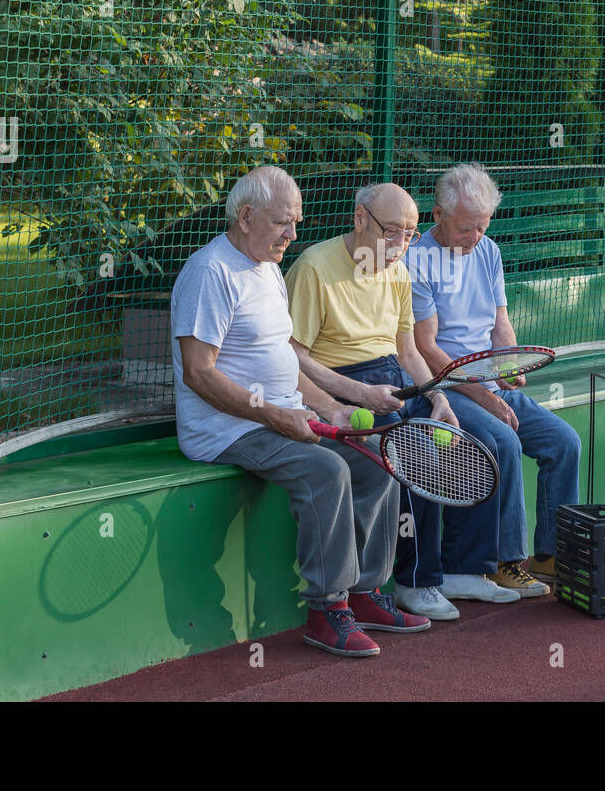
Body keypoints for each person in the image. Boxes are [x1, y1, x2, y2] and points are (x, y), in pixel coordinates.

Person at [171, 165, 430, 658]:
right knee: (327, 469)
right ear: (245, 217)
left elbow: (285, 358)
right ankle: (326, 610)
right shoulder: (211, 273)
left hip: (280, 415)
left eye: (296, 222)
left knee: (378, 451)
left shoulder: (266, 267)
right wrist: (273, 415)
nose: (293, 234)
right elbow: (198, 374)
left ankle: (366, 592)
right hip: (227, 430)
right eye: (282, 223)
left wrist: (329, 406)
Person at [285, 182, 505, 621]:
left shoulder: (400, 271)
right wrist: (358, 395)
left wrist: (439, 398)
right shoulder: (313, 267)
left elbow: (408, 351)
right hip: (341, 387)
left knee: (470, 443)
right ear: (360, 218)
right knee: (414, 459)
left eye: (409, 234)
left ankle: (453, 573)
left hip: (397, 380)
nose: (401, 244)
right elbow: (293, 356)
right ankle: (411, 584)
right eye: (392, 232)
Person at [405, 163, 581, 589]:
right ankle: (502, 563)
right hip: (444, 386)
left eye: (482, 227)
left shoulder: (489, 251)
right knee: (502, 440)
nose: (475, 238)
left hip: (486, 381)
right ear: (437, 216)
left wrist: (509, 366)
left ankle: (550, 556)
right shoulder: (416, 261)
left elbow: (500, 323)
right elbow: (427, 348)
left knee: (564, 442)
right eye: (467, 229)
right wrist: (487, 398)